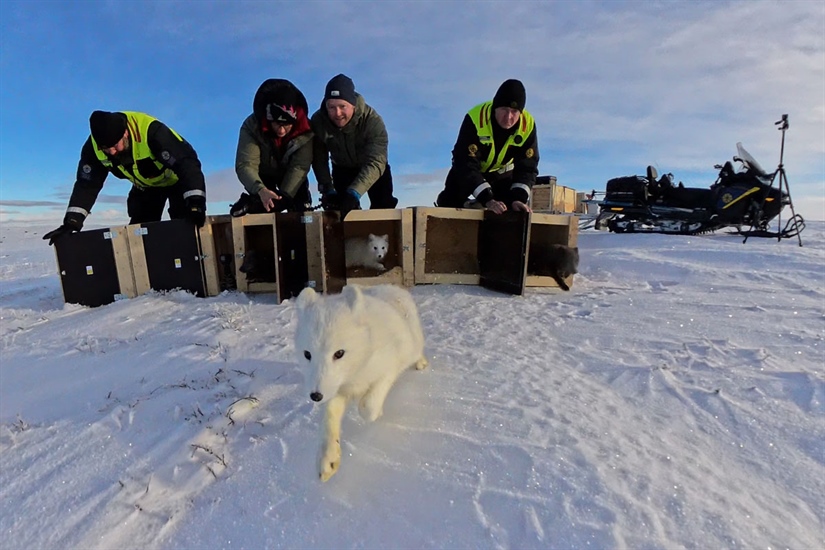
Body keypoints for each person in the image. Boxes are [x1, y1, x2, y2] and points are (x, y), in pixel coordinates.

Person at [43, 110, 207, 245]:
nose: (112, 152)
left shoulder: (152, 132)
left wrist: (196, 202)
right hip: (146, 187)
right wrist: (72, 221)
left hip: (177, 181)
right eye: (106, 148)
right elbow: (87, 185)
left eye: (115, 145)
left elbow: (187, 164)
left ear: (126, 133)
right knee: (140, 232)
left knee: (185, 226)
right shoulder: (93, 148)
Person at [436, 79, 539, 214]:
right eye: (504, 109)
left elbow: (527, 167)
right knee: (449, 200)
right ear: (495, 107)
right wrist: (487, 199)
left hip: (501, 175)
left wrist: (518, 198)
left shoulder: (528, 126)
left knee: (508, 209)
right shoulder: (476, 118)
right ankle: (468, 205)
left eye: (514, 111)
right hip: (469, 171)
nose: (508, 117)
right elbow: (465, 163)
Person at [311, 74, 398, 219]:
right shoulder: (319, 121)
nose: (337, 113)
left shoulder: (372, 121)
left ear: (353, 105)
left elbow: (376, 161)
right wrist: (328, 189)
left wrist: (354, 193)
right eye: (331, 107)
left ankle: (383, 238)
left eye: (342, 106)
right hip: (342, 168)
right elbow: (319, 158)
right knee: (341, 212)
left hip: (372, 168)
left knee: (383, 206)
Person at [230, 78, 314, 216]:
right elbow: (246, 165)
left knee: (300, 207)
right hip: (263, 174)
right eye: (276, 124)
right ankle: (250, 202)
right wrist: (260, 190)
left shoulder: (306, 129)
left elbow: (300, 166)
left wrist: (286, 196)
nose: (281, 131)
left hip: (291, 174)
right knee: (264, 208)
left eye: (286, 125)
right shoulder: (252, 127)